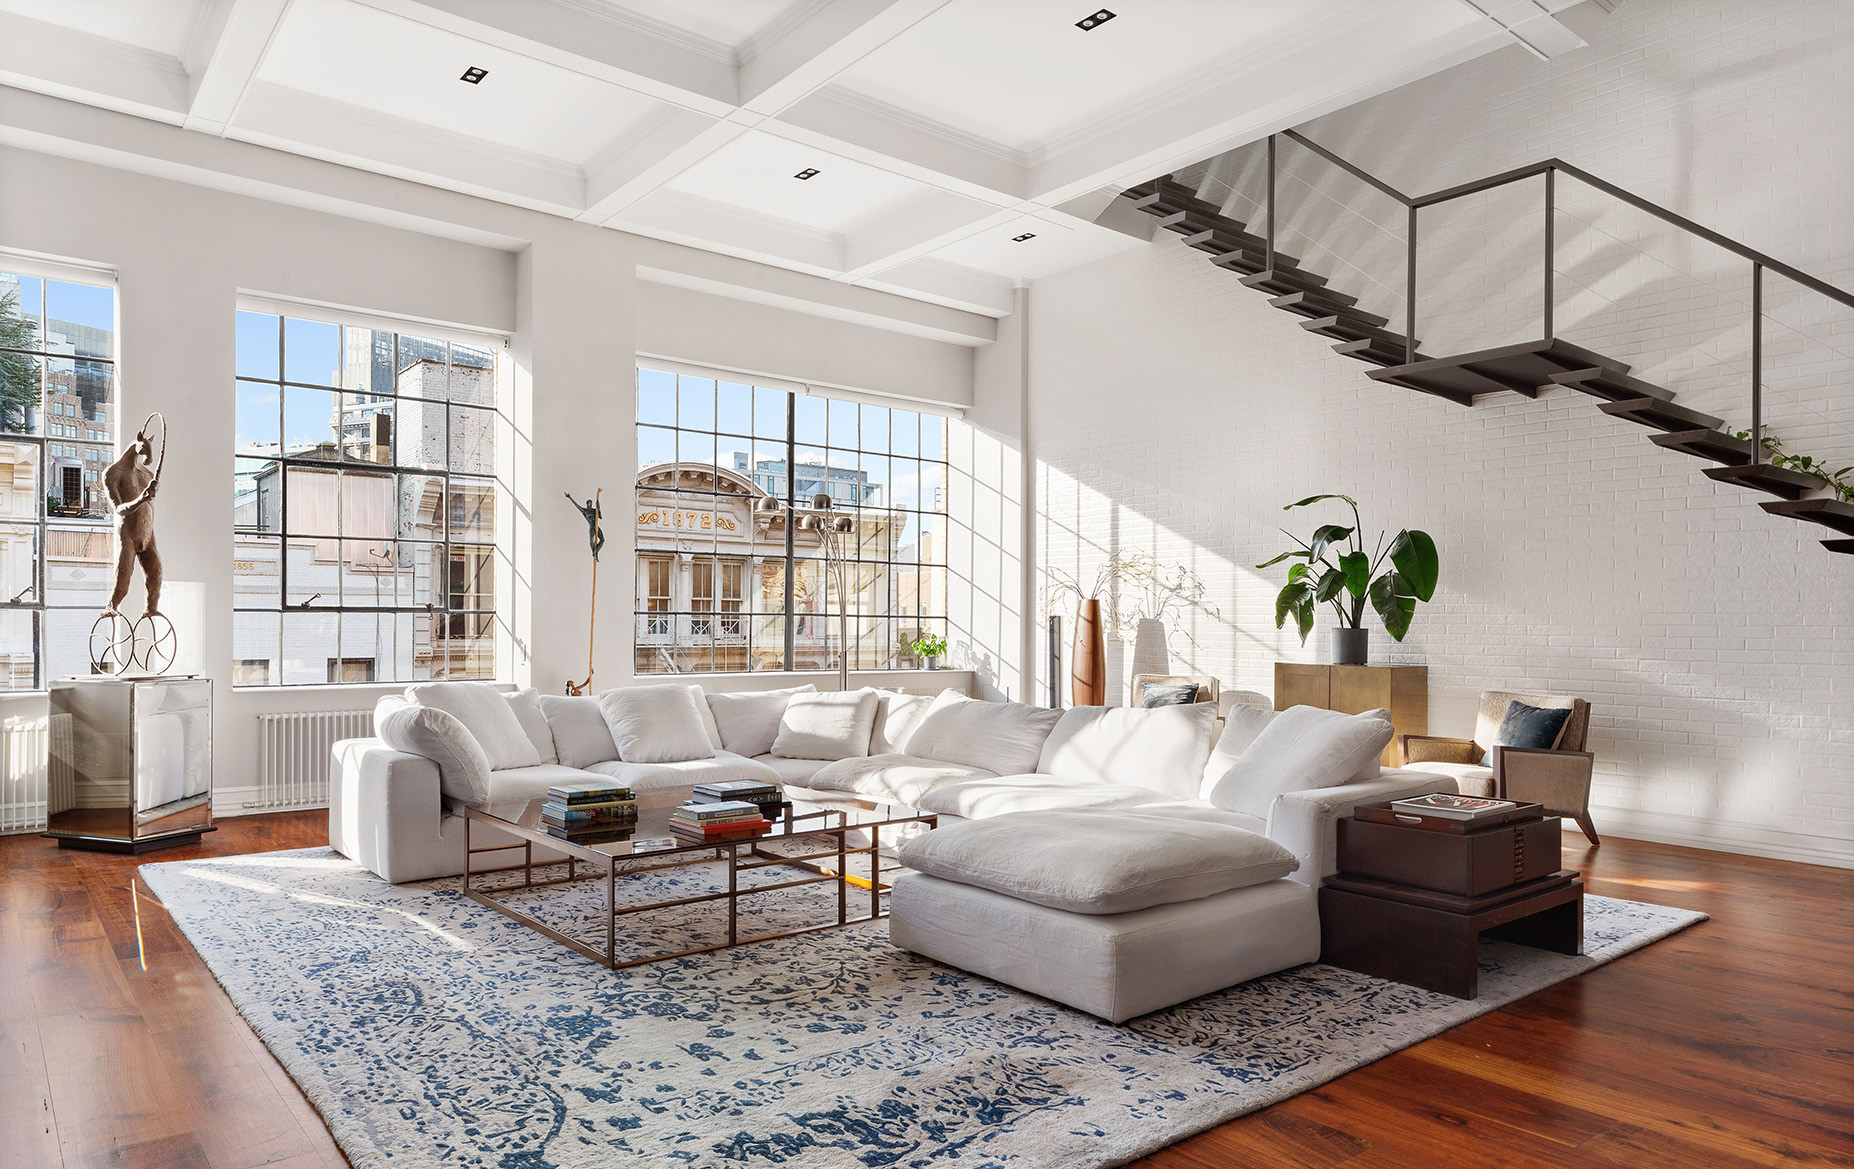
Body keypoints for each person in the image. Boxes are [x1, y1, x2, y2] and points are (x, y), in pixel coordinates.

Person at [104, 426, 161, 617]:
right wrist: (142, 498)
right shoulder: (113, 473)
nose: (147, 457)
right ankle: (112, 605)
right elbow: (119, 509)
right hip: (128, 533)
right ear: (137, 444)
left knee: (156, 573)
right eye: (144, 451)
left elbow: (150, 504)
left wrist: (149, 495)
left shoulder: (147, 475)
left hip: (147, 532)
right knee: (123, 575)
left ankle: (151, 608)